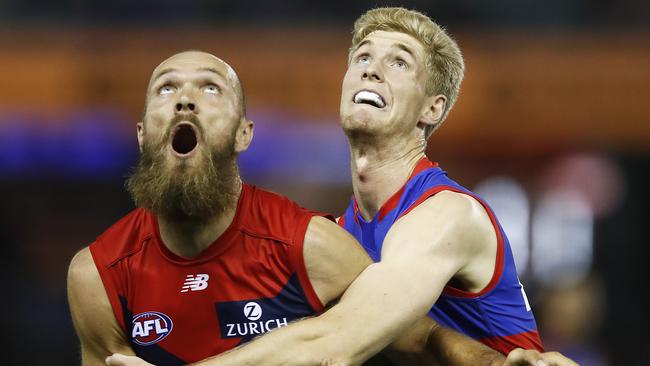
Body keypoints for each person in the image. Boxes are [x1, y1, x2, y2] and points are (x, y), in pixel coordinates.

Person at [98, 9, 579, 366]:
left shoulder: (447, 216)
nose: (371, 68)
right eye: (363, 57)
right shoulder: (338, 236)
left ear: (431, 109)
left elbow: (334, 343)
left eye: (400, 63)